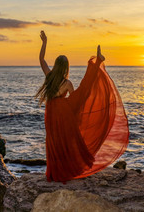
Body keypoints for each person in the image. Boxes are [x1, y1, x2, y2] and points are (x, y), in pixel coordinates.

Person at [35, 31, 129, 183]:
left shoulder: (49, 75)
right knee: (66, 141)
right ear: (66, 67)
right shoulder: (67, 83)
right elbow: (77, 98)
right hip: (64, 113)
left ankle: (55, 172)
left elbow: (41, 59)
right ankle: (97, 62)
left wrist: (44, 43)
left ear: (56, 65)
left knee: (54, 141)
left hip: (52, 112)